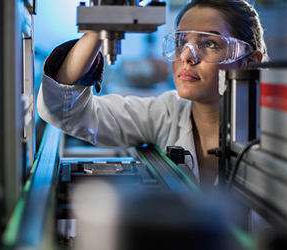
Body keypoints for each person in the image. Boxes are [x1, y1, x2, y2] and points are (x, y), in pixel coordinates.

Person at [37, 0, 268, 195]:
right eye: (181, 42)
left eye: (209, 43)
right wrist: (100, 26)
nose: (187, 56)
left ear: (250, 62)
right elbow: (63, 108)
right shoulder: (165, 114)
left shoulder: (281, 135)